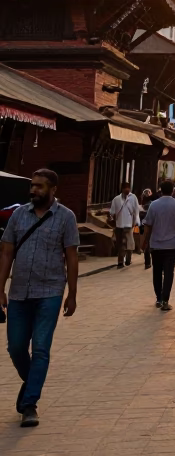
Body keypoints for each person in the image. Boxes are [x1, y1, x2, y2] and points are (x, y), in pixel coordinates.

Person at [0, 168, 79, 428]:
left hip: (50, 292)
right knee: (16, 347)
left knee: (41, 349)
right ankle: (31, 382)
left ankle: (29, 404)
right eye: (32, 186)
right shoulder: (18, 215)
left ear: (53, 190)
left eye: (40, 186)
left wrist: (72, 294)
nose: (34, 190)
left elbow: (71, 256)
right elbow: (7, 253)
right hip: (19, 292)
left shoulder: (66, 217)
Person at [141, 180, 175, 311]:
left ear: (160, 190)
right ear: (173, 190)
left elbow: (148, 226)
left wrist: (144, 242)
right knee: (168, 272)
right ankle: (166, 300)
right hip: (172, 244)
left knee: (157, 271)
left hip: (156, 245)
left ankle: (159, 298)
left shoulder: (154, 205)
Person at [108, 181, 140, 269]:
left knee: (130, 244)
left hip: (129, 225)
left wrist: (136, 222)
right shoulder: (116, 199)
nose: (127, 190)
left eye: (128, 188)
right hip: (119, 225)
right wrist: (111, 218)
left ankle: (128, 259)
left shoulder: (133, 198)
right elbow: (112, 212)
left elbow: (136, 211)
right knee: (120, 244)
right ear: (122, 189)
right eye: (125, 188)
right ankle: (120, 262)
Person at [139, 189, 153, 268]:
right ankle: (148, 262)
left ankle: (147, 262)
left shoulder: (145, 205)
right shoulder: (152, 204)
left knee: (146, 244)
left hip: (145, 226)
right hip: (148, 226)